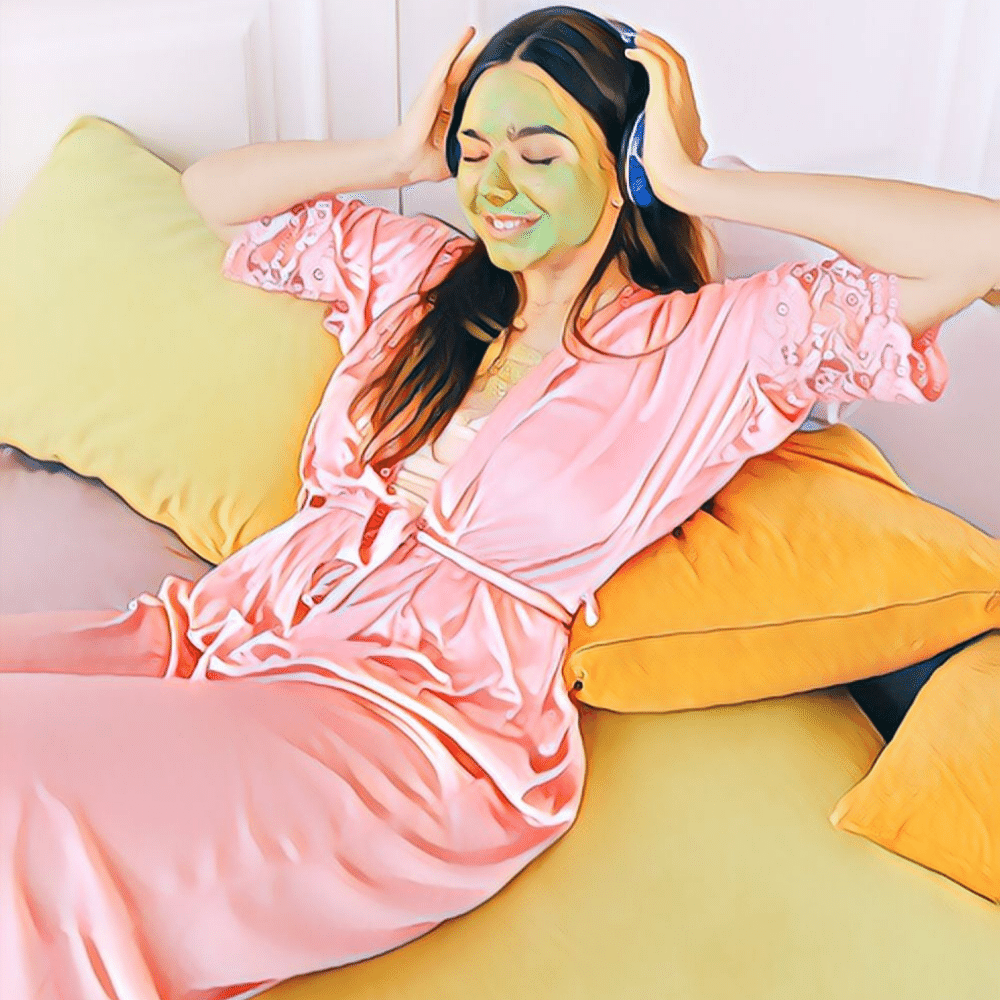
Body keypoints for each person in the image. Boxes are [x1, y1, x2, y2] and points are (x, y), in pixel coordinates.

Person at [2, 6, 997, 999]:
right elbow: (214, 196)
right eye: (474, 152)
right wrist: (395, 151)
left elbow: (981, 245)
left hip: (405, 722)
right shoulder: (421, 276)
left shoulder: (712, 349)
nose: (494, 186)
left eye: (538, 153)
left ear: (624, 165)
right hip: (221, 631)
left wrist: (698, 181)